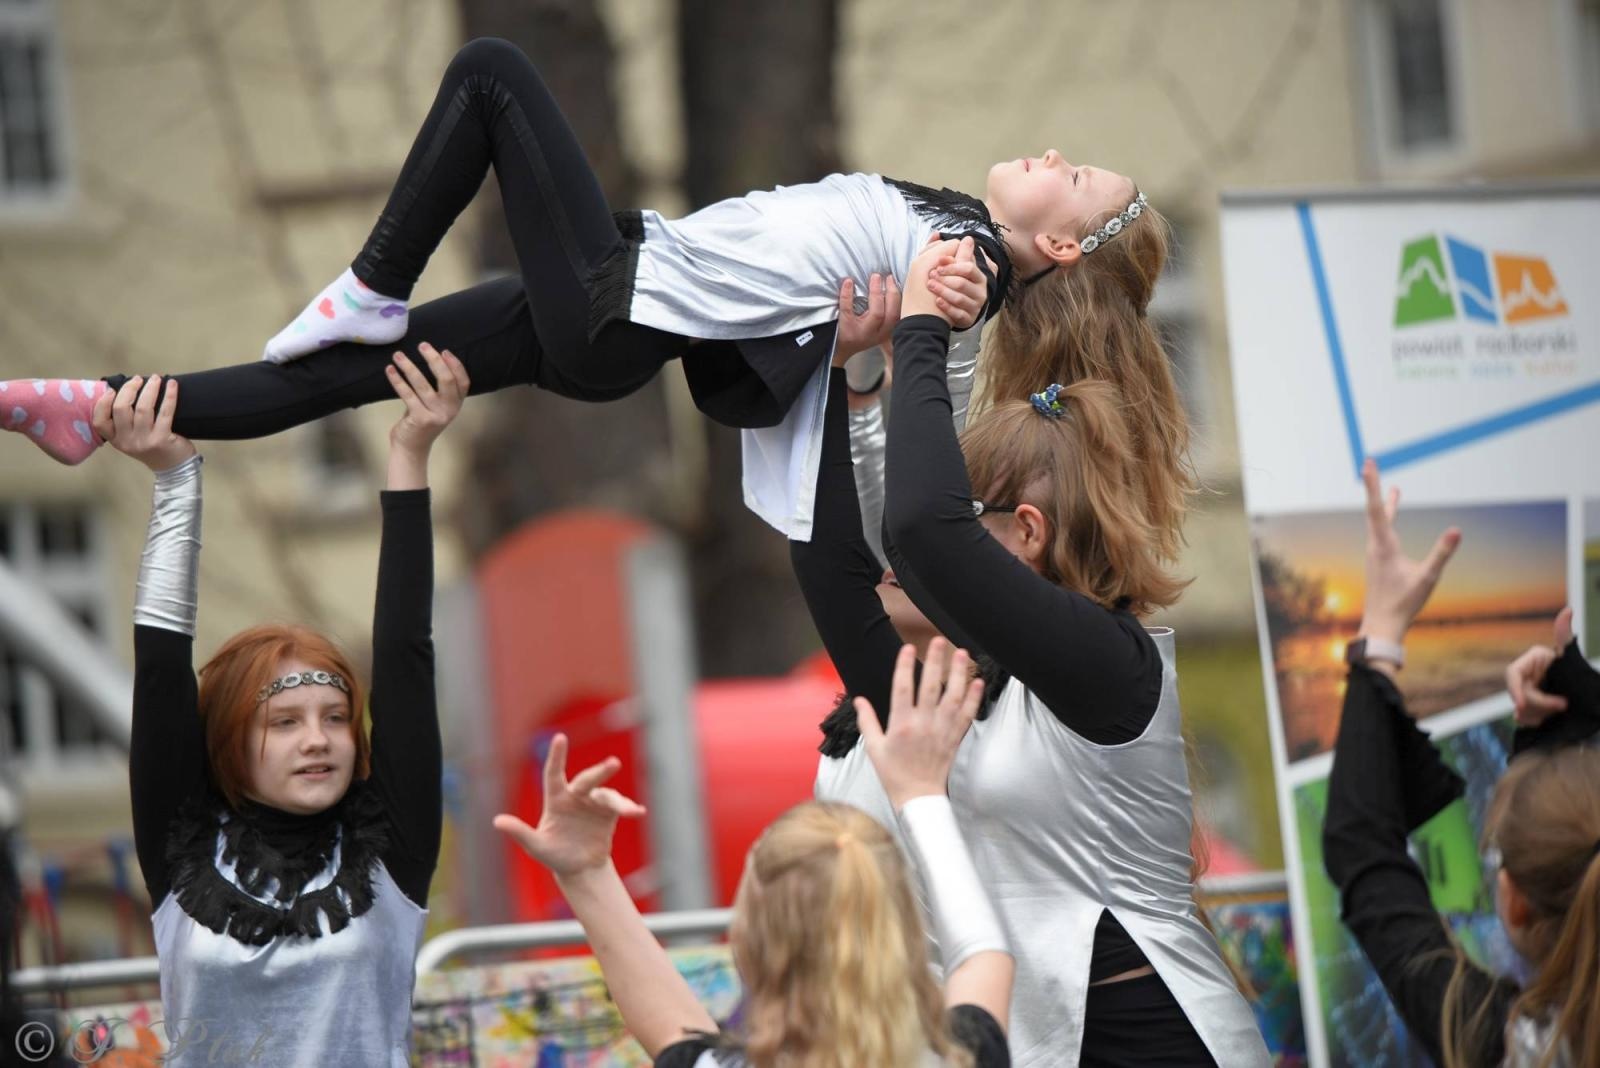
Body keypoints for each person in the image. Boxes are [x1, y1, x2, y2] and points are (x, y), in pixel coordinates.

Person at [1, 37, 1188, 552]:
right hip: (624, 300)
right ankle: (92, 408)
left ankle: (370, 280)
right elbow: (787, 352)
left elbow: (900, 418)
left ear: (1061, 244)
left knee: (494, 75)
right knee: (340, 377)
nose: (1052, 153)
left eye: (1076, 174)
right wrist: (841, 352)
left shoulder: (962, 270)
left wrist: (877, 361)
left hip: (615, 301)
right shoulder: (955, 226)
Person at [793, 241, 1266, 1067]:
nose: (908, 556)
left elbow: (922, 531)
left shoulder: (1111, 663)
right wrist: (832, 376)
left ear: (1028, 534)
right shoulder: (957, 683)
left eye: (968, 515)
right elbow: (834, 571)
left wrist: (922, 328)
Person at [110, 343, 465, 1065]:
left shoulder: (390, 850)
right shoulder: (182, 848)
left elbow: (405, 654)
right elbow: (160, 671)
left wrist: (410, 452)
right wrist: (174, 477)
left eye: (335, 718)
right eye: (284, 722)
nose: (319, 739)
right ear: (229, 742)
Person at [495, 639, 1014, 1067]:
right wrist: (921, 793)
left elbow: (670, 1028)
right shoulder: (962, 1054)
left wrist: (587, 873)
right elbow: (982, 951)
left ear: (747, 938)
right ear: (899, 926)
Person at [1323, 459, 1600, 1068]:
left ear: (1515, 902)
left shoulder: (1508, 1047)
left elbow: (1362, 851)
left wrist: (1381, 629)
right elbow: (1360, 846)